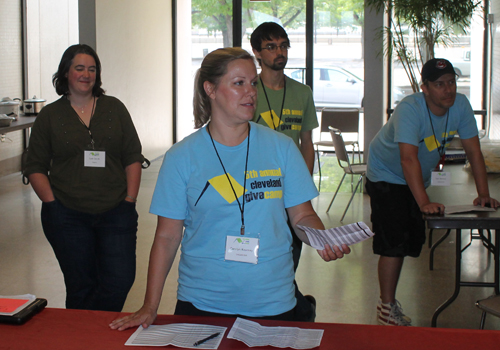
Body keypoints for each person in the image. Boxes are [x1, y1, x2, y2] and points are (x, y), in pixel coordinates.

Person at [110, 47, 349, 331]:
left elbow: (301, 216)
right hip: (203, 303)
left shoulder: (282, 148)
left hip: (272, 302)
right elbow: (167, 236)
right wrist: (150, 306)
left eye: (253, 83)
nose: (250, 92)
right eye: (239, 83)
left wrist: (321, 237)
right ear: (210, 89)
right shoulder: (182, 156)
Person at [366, 58, 499, 326]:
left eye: (451, 82)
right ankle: (386, 305)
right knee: (394, 241)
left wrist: (483, 193)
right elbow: (408, 159)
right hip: (385, 174)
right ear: (424, 87)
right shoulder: (410, 109)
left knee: (410, 239)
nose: (447, 90)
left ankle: (389, 302)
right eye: (439, 85)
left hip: (416, 177)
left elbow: (473, 150)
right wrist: (424, 201)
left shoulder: (460, 105)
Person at [24, 44, 144, 312]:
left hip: (116, 210)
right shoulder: (50, 116)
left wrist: (129, 200)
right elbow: (35, 165)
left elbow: (132, 156)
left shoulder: (114, 108)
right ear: (66, 72)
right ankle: (86, 343)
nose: (86, 74)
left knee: (120, 279)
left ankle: (97, 329)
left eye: (92, 69)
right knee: (81, 285)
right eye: (79, 68)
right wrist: (52, 204)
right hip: (67, 215)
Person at [250, 22, 319, 322]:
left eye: (283, 45)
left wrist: (301, 185)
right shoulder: (248, 90)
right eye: (271, 46)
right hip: (255, 189)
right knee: (259, 255)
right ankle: (298, 308)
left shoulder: (302, 92)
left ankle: (292, 309)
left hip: (290, 190)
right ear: (257, 53)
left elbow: (307, 143)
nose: (280, 52)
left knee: (289, 256)